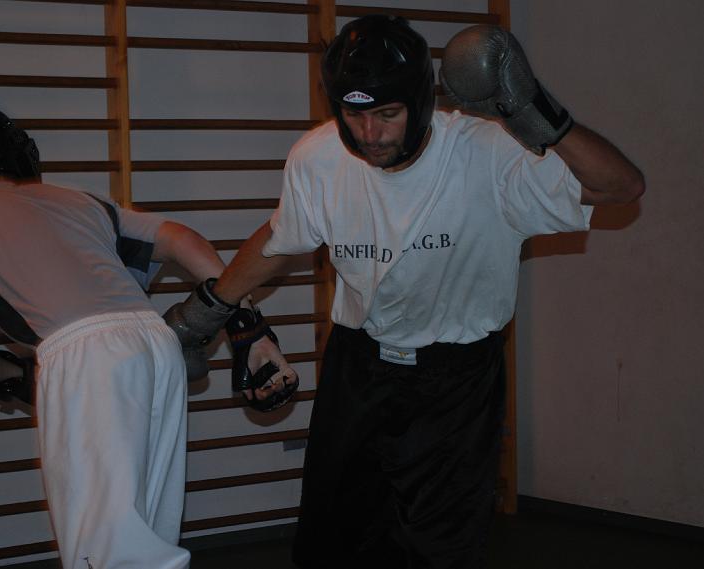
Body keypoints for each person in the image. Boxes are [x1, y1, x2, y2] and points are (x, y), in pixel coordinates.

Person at [201, 15, 645, 569]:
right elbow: (279, 239)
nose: (370, 134)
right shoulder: (318, 157)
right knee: (329, 544)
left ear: (420, 103)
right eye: (354, 115)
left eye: (387, 114)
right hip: (357, 368)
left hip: (454, 382)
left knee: (438, 552)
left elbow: (622, 186)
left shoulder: (488, 153)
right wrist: (207, 312)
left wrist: (534, 109)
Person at [0, 105, 291, 568]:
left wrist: (15, 376)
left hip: (85, 356)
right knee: (149, 531)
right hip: (155, 343)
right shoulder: (82, 200)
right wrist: (248, 330)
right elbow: (182, 239)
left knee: (107, 552)